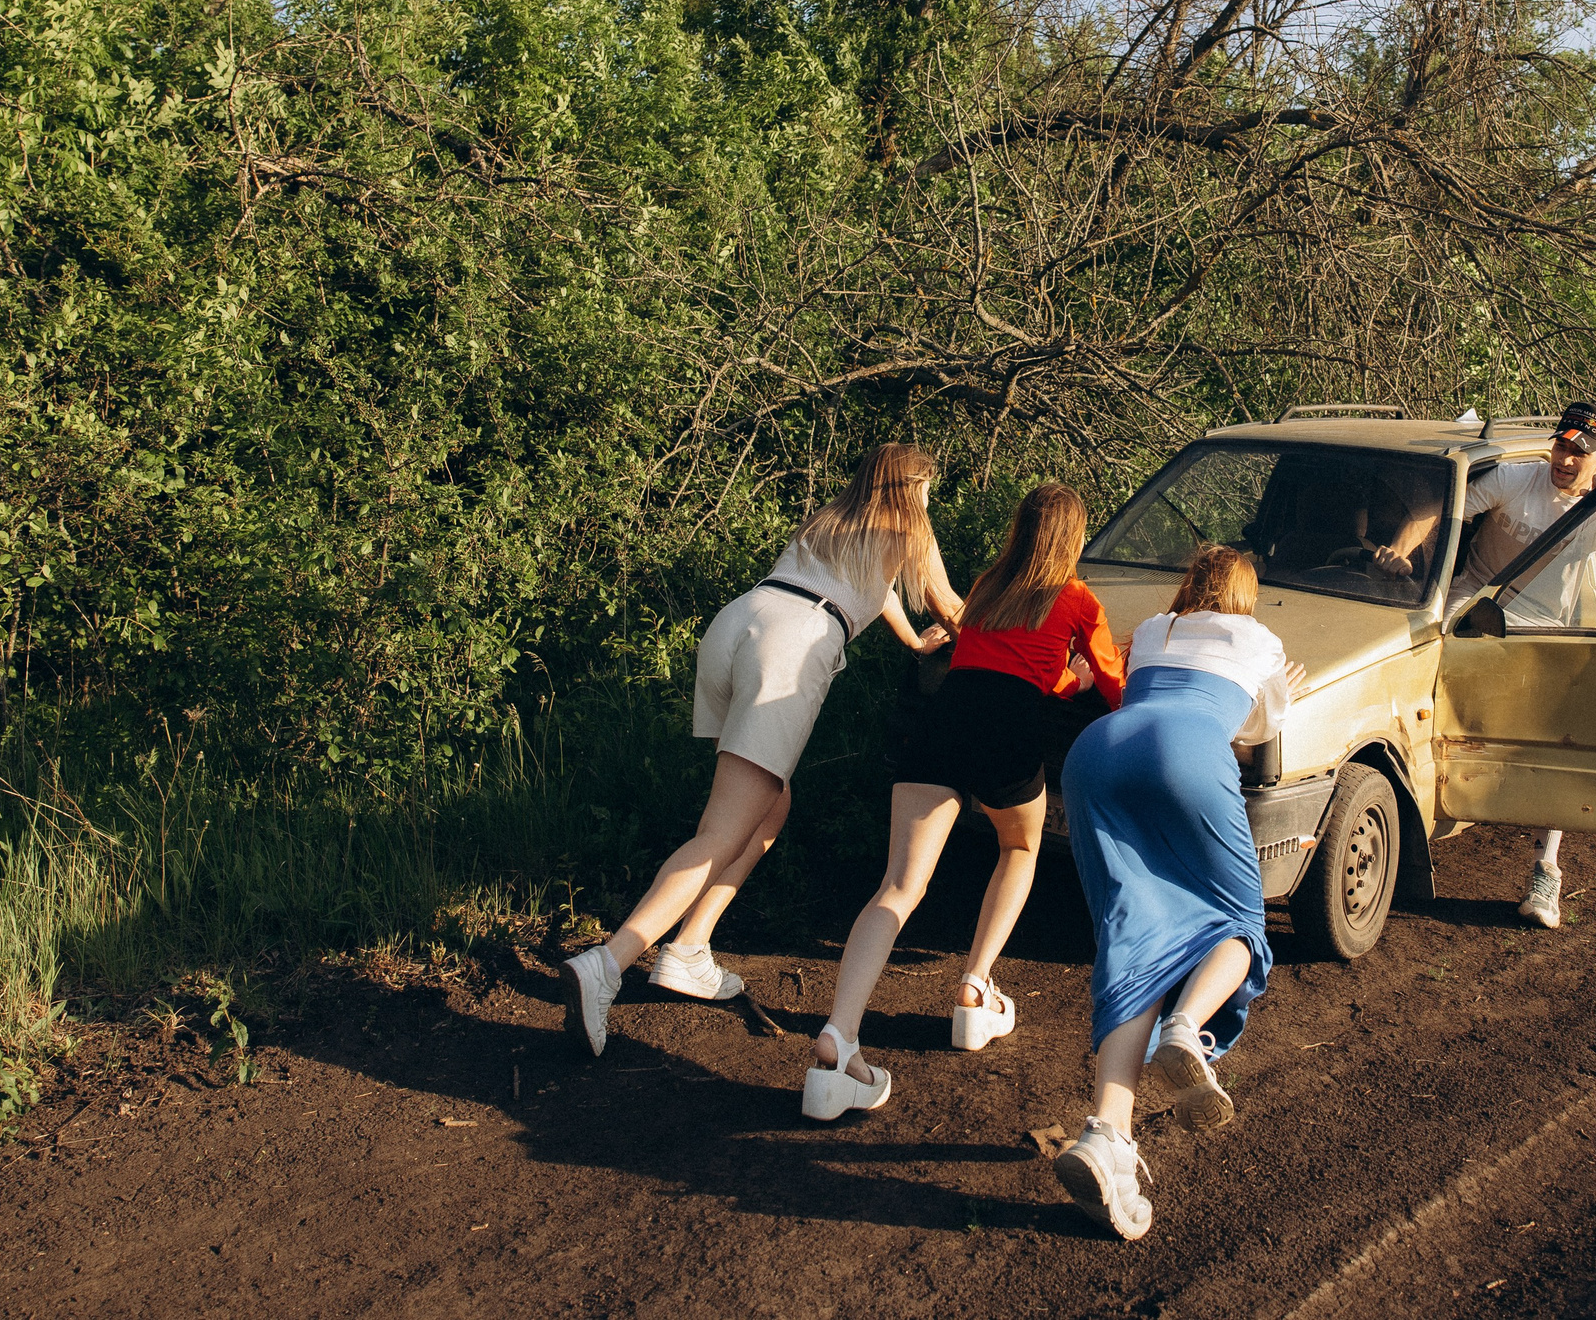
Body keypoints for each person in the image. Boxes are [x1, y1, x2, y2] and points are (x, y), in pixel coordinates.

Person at [559, 443, 960, 1060]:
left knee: (769, 806)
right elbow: (951, 605)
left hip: (740, 624)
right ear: (916, 486)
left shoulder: (833, 517)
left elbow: (872, 589)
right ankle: (607, 965)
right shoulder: (910, 525)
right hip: (793, 643)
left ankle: (690, 949)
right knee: (722, 830)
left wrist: (911, 644)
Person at [802, 483, 1127, 1120]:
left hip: (945, 717)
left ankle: (839, 1037)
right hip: (1008, 729)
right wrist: (1094, 677)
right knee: (1021, 844)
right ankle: (974, 992)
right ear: (1073, 538)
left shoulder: (987, 584)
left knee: (898, 886)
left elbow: (1001, 657)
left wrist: (1065, 678)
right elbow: (1113, 690)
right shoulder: (1079, 598)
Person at [1052, 545, 1305, 1240]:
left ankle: (1107, 1132)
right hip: (1187, 751)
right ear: (1245, 593)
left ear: (1190, 585)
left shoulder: (1155, 630)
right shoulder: (1260, 638)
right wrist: (1285, 689)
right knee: (1240, 919)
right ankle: (1187, 1026)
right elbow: (1259, 733)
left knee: (1132, 941)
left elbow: (1140, 688)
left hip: (1098, 754)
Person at [1451, 401, 1596, 931]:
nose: (1566, 460)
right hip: (1472, 601)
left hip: (1542, 625)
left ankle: (1546, 869)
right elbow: (1451, 512)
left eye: (1581, 452)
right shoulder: (1517, 478)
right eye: (1562, 445)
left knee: (1550, 737)